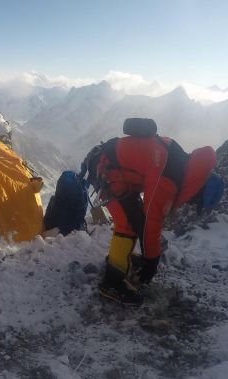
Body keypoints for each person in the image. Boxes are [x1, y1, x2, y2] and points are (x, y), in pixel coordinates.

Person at [80, 118, 224, 306]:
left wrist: (150, 256)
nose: (190, 202)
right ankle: (112, 282)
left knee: (134, 218)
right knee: (128, 224)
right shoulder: (169, 179)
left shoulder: (180, 160)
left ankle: (119, 259)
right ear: (198, 189)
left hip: (111, 165)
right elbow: (151, 223)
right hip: (107, 170)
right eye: (195, 200)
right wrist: (151, 262)